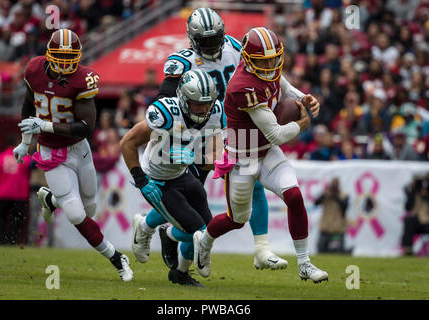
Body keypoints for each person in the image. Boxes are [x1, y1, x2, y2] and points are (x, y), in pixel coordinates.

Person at [131, 7, 318, 273]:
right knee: (189, 196)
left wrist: (298, 97)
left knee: (250, 184)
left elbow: (264, 73)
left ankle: (260, 249)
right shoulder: (182, 61)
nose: (213, 45)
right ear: (193, 40)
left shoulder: (233, 46)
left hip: (229, 128)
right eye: (205, 41)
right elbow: (166, 99)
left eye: (216, 37)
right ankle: (151, 227)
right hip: (198, 133)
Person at [192, 27, 328, 283]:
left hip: (266, 151)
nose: (270, 65)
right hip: (242, 157)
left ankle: (305, 263)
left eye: (273, 59)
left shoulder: (267, 70)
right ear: (247, 58)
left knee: (295, 196)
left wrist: (304, 98)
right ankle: (205, 239)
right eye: (263, 61)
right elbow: (276, 133)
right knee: (237, 220)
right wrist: (301, 124)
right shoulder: (242, 86)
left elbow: (282, 85)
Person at [12, 29, 132, 282]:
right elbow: (27, 103)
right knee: (77, 214)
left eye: (70, 57)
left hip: (79, 147)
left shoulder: (83, 79)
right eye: (59, 56)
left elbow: (87, 126)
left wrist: (43, 126)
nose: (65, 63)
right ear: (48, 54)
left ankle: (51, 200)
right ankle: (116, 257)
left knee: (89, 209)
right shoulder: (33, 70)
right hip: (52, 152)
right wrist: (26, 142)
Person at [120, 69, 224, 286]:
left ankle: (153, 229)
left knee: (210, 228)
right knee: (198, 232)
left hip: (180, 173)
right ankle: (163, 233)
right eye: (198, 103)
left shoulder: (215, 112)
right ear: (185, 100)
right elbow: (127, 142)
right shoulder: (167, 112)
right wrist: (141, 181)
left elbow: (211, 158)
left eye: (207, 103)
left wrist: (197, 157)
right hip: (156, 179)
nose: (204, 109)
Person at [0, 135, 31, 244]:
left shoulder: (0, 157)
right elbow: (31, 166)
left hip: (2, 194)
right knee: (17, 220)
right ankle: (11, 240)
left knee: (1, 219)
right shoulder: (22, 156)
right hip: (19, 195)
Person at [315, 178, 349, 253]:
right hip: (325, 228)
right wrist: (325, 195)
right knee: (321, 249)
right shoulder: (326, 194)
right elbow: (316, 203)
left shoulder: (344, 195)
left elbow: (345, 206)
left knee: (336, 251)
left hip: (337, 229)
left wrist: (336, 197)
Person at [401, 174, 429, 256]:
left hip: (427, 222)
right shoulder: (414, 195)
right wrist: (412, 189)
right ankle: (408, 249)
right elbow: (407, 207)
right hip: (418, 223)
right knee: (408, 220)